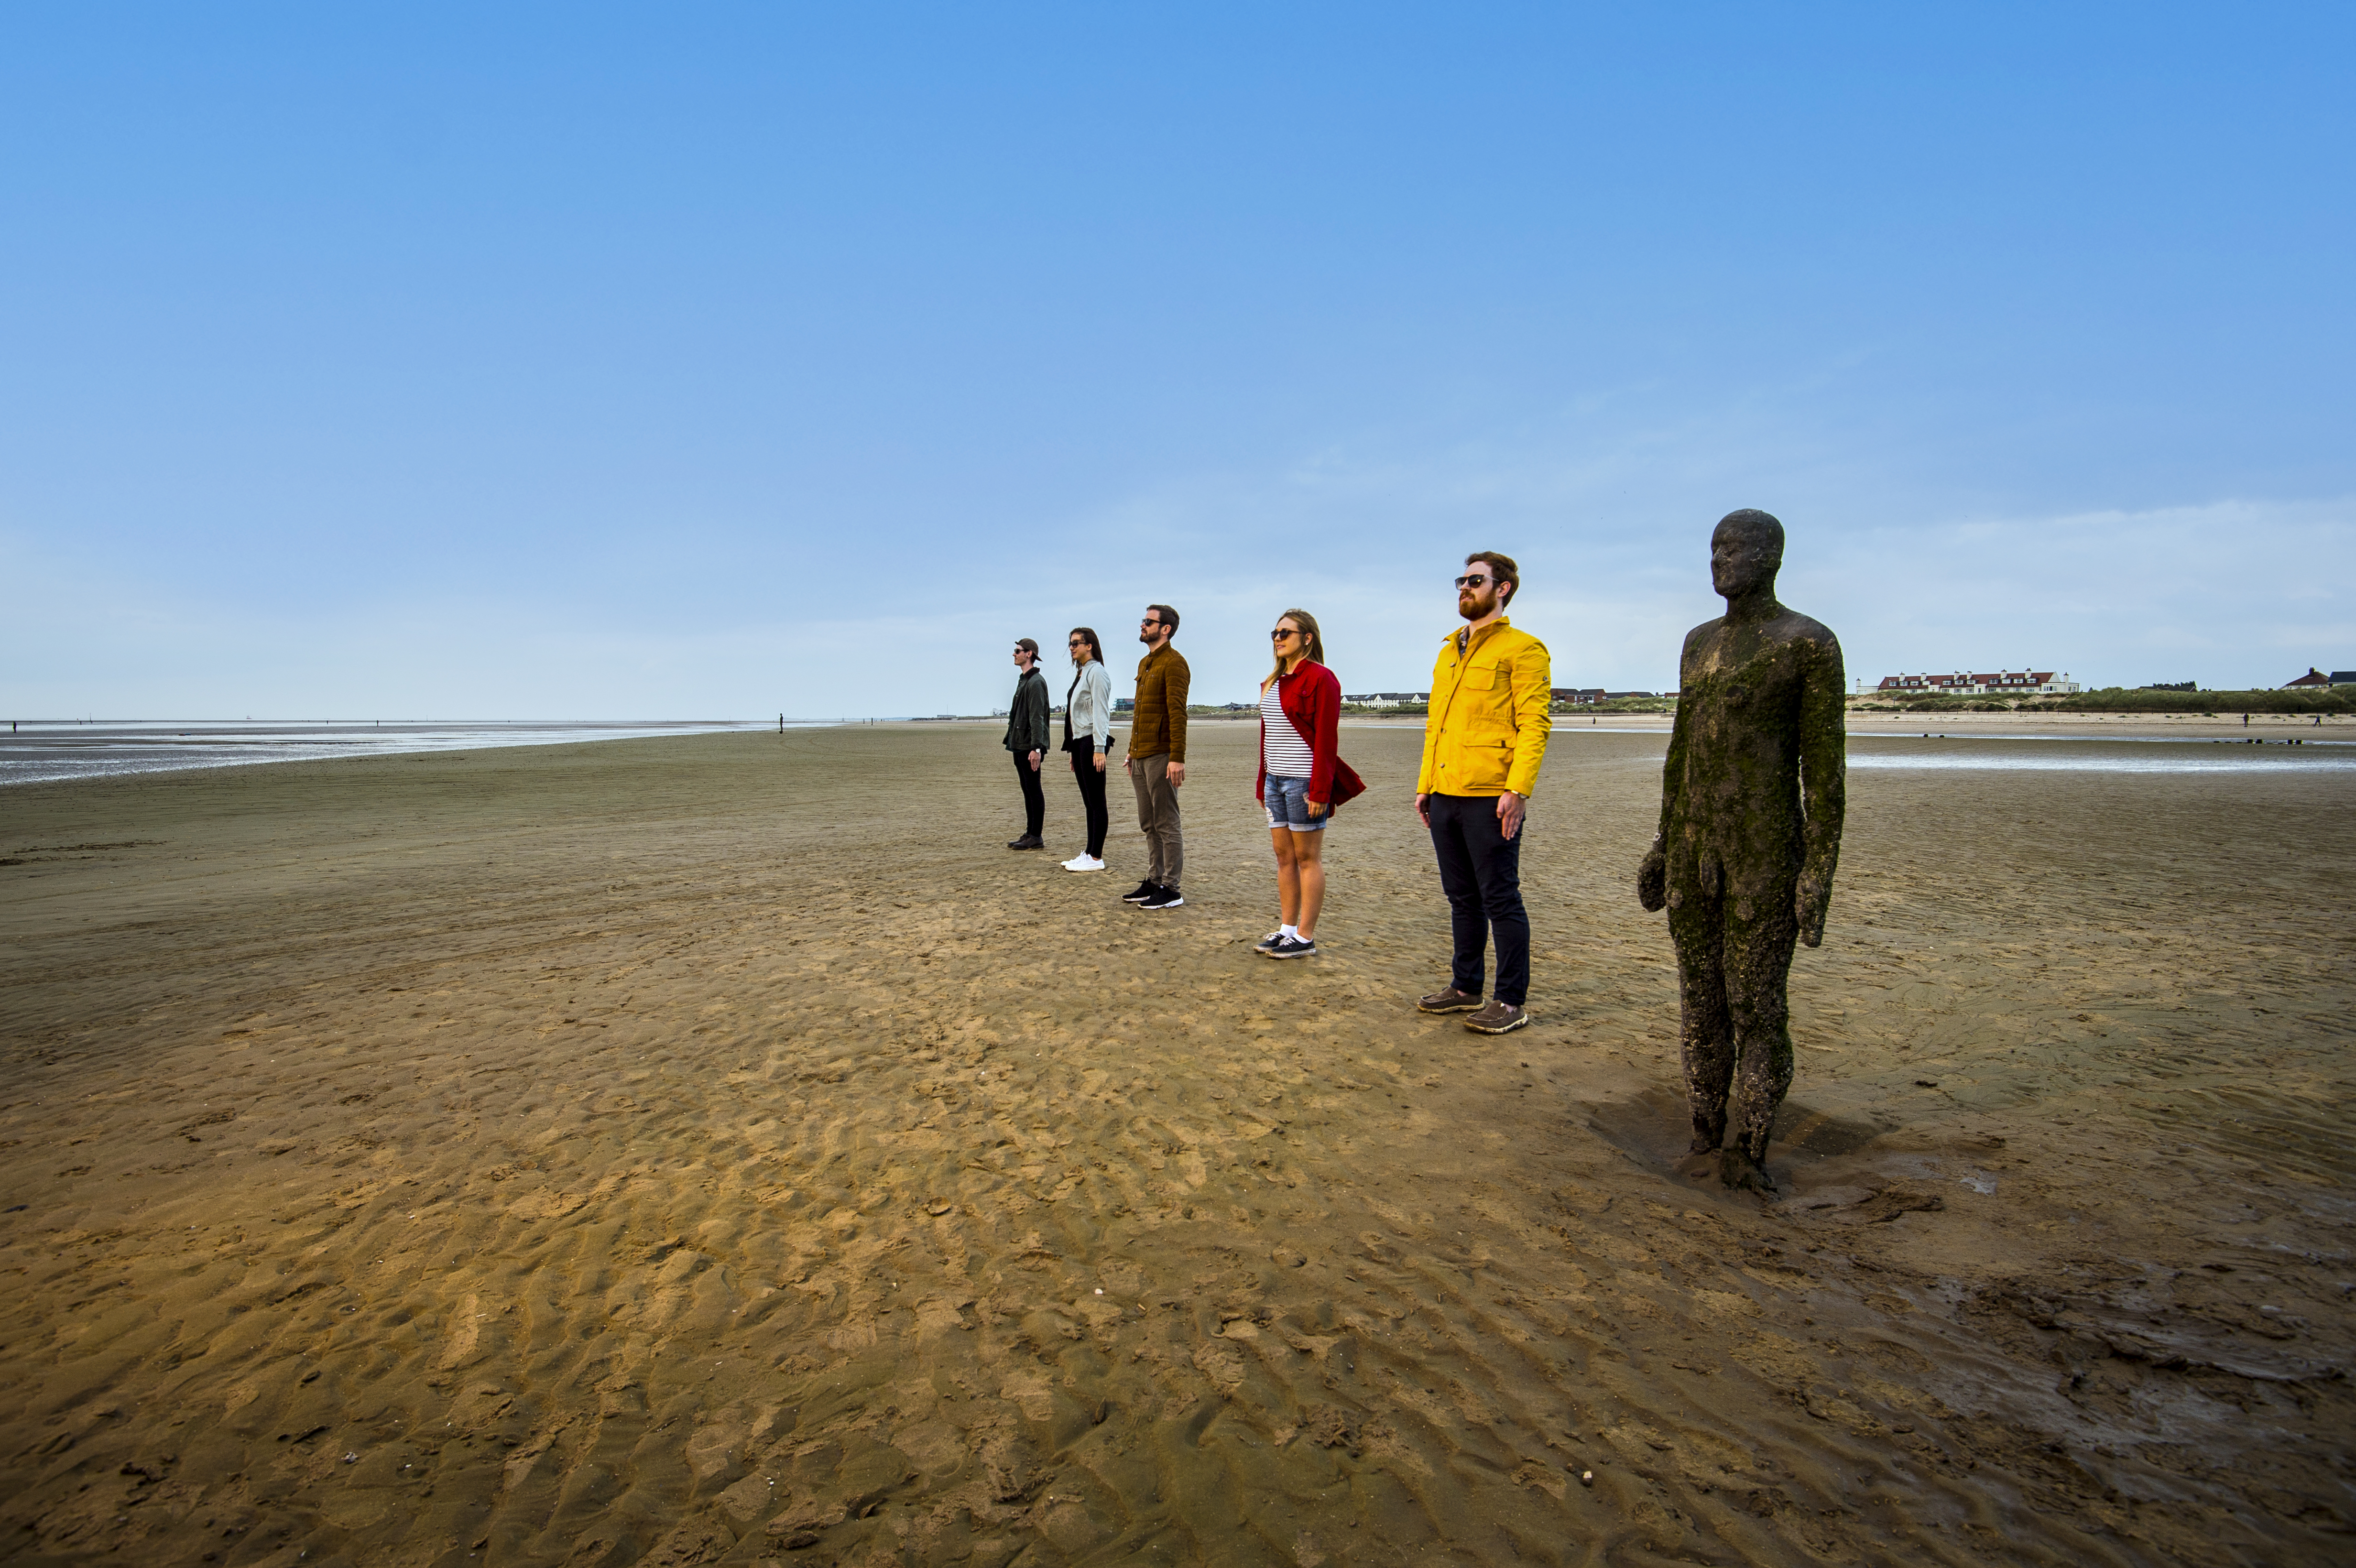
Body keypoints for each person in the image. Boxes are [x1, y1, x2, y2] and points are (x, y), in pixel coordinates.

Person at [1636, 509, 1844, 1193]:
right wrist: (1663, 845)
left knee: (1755, 1004)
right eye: (1714, 549)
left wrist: (1817, 872)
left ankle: (1750, 1151)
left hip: (1764, 854)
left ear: (1771, 557)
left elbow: (1824, 773)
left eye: (1736, 549)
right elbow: (1680, 752)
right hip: (1696, 848)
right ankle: (1704, 1131)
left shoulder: (1807, 644)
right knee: (1700, 1000)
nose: (1721, 561)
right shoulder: (1699, 644)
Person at [1414, 552, 1551, 1034]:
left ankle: (1511, 1000)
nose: (1464, 588)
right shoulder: (1448, 650)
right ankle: (1465, 986)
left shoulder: (1523, 648)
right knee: (1460, 897)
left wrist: (1518, 788)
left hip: (1492, 793)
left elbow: (1534, 724)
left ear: (1503, 588)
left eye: (1475, 580)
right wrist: (1424, 784)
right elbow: (1437, 725)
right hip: (1445, 790)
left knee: (1499, 896)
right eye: (1461, 580)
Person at [1254, 610, 1363, 958]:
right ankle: (1287, 929)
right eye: (1275, 632)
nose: (1278, 637)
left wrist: (1321, 790)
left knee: (1307, 857)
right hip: (1275, 780)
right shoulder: (1272, 681)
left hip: (1304, 781)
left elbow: (1327, 741)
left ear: (1307, 638)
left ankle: (1306, 936)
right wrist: (1262, 782)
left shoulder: (1321, 678)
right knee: (1283, 856)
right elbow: (1267, 737)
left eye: (1286, 632)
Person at [1123, 604, 1190, 909]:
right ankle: (1154, 880)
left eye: (1148, 622)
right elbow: (1141, 714)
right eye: (1143, 620)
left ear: (1165, 629)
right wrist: (1131, 751)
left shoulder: (1175, 663)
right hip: (1140, 755)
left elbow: (1178, 714)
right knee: (1148, 823)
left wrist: (1177, 757)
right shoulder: (1145, 663)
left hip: (1162, 755)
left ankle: (1171, 888)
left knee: (1166, 822)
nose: (1142, 625)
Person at [1060, 627, 1116, 871]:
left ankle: (1096, 857)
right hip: (1080, 743)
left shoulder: (1098, 673)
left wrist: (1099, 748)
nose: (1071, 647)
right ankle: (1090, 852)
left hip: (1092, 742)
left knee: (1097, 800)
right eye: (1070, 643)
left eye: (1076, 643)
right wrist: (1074, 750)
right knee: (1088, 802)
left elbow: (1101, 714)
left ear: (1089, 645)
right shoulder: (1083, 673)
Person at [1003, 638, 1050, 849]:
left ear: (1029, 654)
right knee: (1027, 789)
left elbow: (1037, 717)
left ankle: (1036, 836)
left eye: (1018, 651)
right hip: (1020, 743)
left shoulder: (1036, 682)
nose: (1014, 654)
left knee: (1033, 788)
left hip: (1030, 746)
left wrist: (1037, 748)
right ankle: (1030, 833)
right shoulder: (1024, 680)